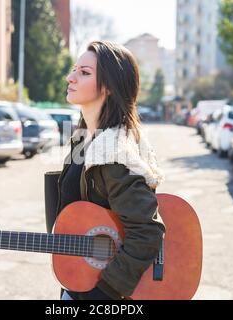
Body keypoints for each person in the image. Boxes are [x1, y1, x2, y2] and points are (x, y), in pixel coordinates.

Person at [57, 40, 166, 300]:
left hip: (100, 292)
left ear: (107, 86)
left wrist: (104, 292)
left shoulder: (113, 150)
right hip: (79, 279)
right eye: (74, 69)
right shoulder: (84, 139)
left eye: (84, 73)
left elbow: (147, 232)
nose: (70, 77)